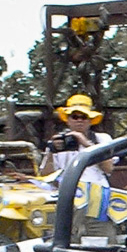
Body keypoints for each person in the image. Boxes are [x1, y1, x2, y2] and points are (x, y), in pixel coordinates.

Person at [42, 94, 116, 244]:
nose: (80, 120)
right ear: (68, 120)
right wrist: (51, 151)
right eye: (75, 116)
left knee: (104, 239)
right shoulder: (59, 141)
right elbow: (46, 175)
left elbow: (108, 168)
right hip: (69, 198)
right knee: (67, 240)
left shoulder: (102, 139)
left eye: (84, 117)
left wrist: (85, 143)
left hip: (97, 198)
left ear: (90, 120)